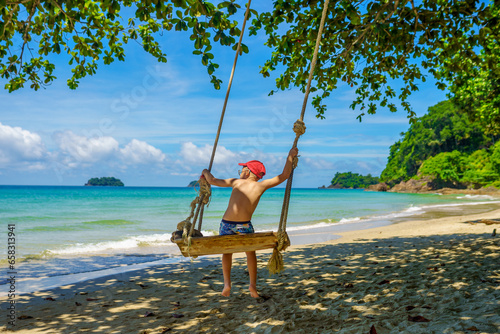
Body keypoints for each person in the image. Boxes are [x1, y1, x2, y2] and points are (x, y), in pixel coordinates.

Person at [201, 147, 299, 298]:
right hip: (245, 225)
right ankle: (252, 286)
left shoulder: (236, 182)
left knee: (227, 252)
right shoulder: (261, 186)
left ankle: (227, 284)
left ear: (247, 171)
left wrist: (205, 171)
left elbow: (212, 180)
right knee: (250, 253)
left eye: (241, 169)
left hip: (226, 224)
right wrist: (290, 156)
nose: (240, 172)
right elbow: (284, 175)